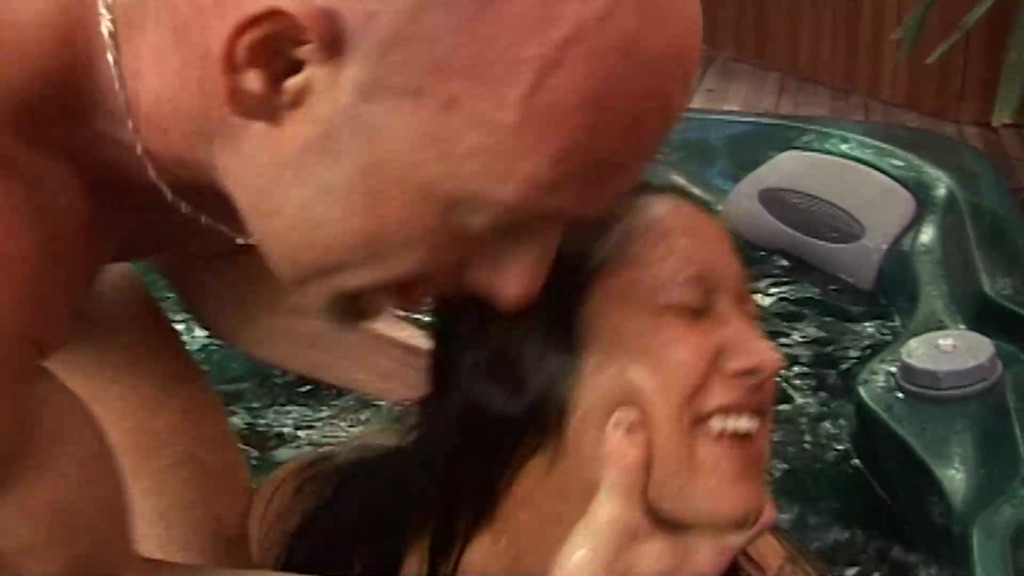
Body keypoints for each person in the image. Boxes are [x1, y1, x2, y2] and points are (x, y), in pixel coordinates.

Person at [1, 0, 704, 572]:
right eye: (480, 215)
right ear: (280, 64)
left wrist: (500, 407)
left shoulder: (179, 63)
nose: (520, 286)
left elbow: (221, 249)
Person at [248, 192, 785, 576]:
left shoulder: (754, 559)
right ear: (531, 364)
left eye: (750, 316)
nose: (768, 357)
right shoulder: (315, 519)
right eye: (691, 309)